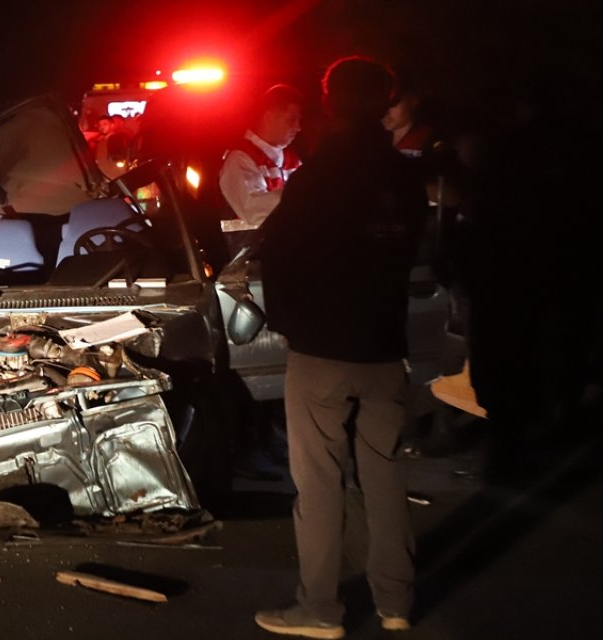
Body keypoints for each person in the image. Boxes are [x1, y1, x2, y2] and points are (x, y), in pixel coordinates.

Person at [254, 57, 426, 638]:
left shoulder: (317, 176)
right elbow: (410, 253)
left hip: (323, 350)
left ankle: (320, 608)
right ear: (387, 100)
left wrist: (286, 322)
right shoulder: (403, 177)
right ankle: (395, 602)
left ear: (330, 102)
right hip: (384, 347)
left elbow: (276, 254)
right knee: (384, 475)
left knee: (320, 481)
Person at [218, 84, 304, 228]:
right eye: (291, 120)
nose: (298, 127)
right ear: (269, 117)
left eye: (299, 121)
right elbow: (254, 210)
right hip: (249, 248)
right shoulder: (240, 158)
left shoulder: (292, 160)